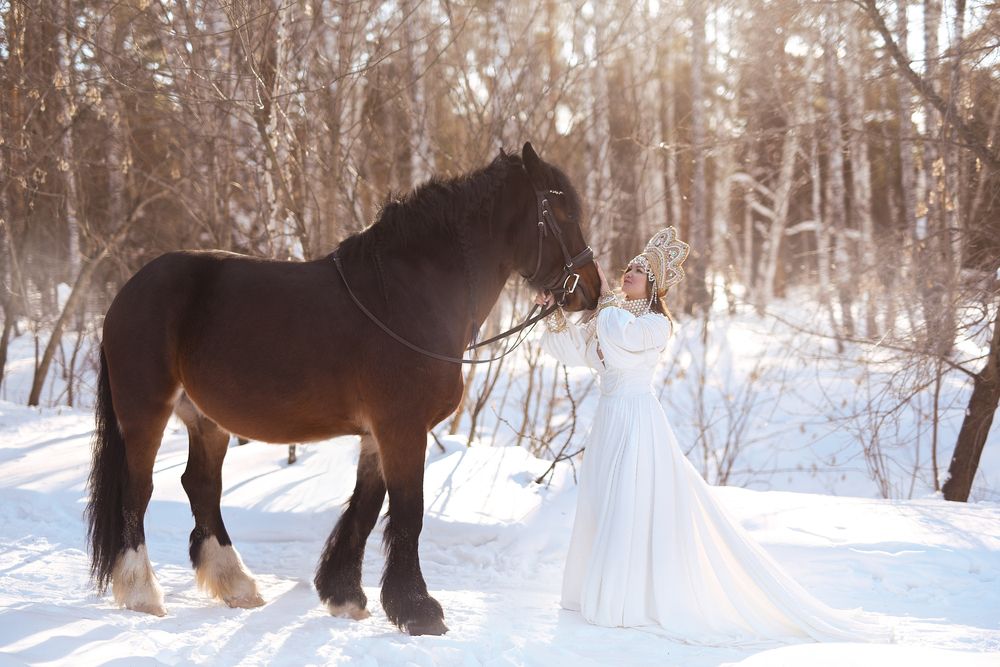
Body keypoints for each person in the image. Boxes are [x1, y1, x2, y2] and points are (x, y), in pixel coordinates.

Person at [536, 228, 889, 645]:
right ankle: (597, 590)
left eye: (640, 270)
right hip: (609, 422)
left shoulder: (654, 325)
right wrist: (552, 313)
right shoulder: (609, 317)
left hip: (636, 423)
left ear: (654, 283)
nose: (629, 272)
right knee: (602, 501)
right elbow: (571, 350)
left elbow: (619, 341)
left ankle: (625, 600)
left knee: (628, 503)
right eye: (629, 267)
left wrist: (605, 297)